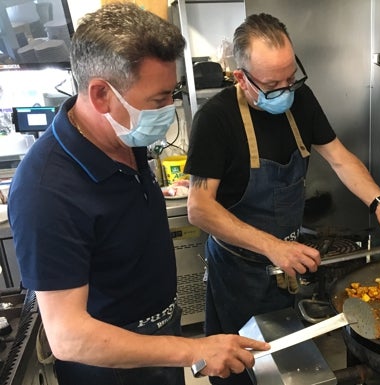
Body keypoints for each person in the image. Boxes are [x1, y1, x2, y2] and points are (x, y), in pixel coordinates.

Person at [7, 4, 268, 385]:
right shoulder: (46, 189)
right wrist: (195, 350)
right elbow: (68, 337)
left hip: (161, 340)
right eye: (158, 100)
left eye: (172, 94)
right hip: (109, 368)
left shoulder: (123, 137)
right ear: (100, 95)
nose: (168, 109)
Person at [185, 13, 380, 385]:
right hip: (239, 271)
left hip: (285, 266)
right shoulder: (215, 120)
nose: (286, 91)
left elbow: (340, 158)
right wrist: (271, 246)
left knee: (283, 367)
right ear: (241, 78)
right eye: (273, 85)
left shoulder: (300, 100)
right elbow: (200, 207)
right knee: (239, 369)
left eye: (291, 78)